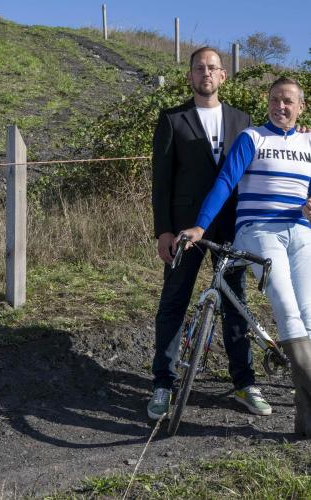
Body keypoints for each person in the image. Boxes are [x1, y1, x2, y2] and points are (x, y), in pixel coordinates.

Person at [179, 77, 311, 438]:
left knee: (309, 317)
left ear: (301, 107)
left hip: (302, 233)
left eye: (288, 101)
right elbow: (225, 181)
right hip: (259, 230)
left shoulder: (309, 140)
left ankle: (306, 417)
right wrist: (201, 227)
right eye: (274, 100)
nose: (280, 106)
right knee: (286, 308)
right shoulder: (253, 138)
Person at [148, 46, 271, 421]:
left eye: (212, 67)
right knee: (175, 302)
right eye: (199, 67)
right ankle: (163, 385)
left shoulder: (242, 119)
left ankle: (244, 383)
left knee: (236, 304)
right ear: (190, 76)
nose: (206, 72)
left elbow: (265, 157)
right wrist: (164, 231)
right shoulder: (172, 119)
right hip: (186, 229)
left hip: (231, 226)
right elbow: (161, 181)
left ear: (223, 76)